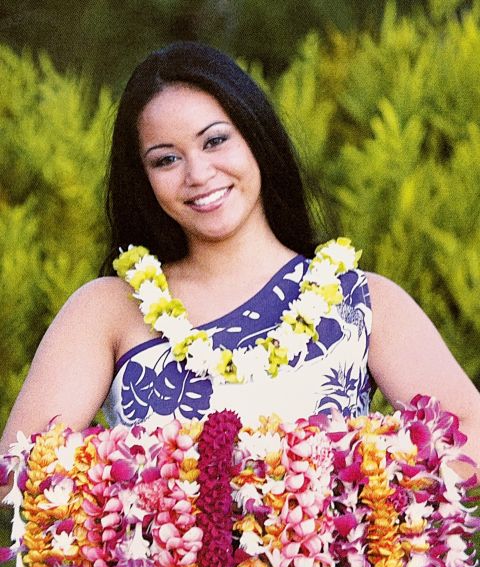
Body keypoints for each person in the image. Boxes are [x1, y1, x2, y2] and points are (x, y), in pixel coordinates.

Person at [0, 41, 479, 482]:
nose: (199, 174)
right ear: (142, 179)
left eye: (214, 141)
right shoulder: (106, 309)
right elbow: (25, 471)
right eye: (166, 160)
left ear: (255, 137)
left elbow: (469, 448)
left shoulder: (363, 302)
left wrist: (343, 498)